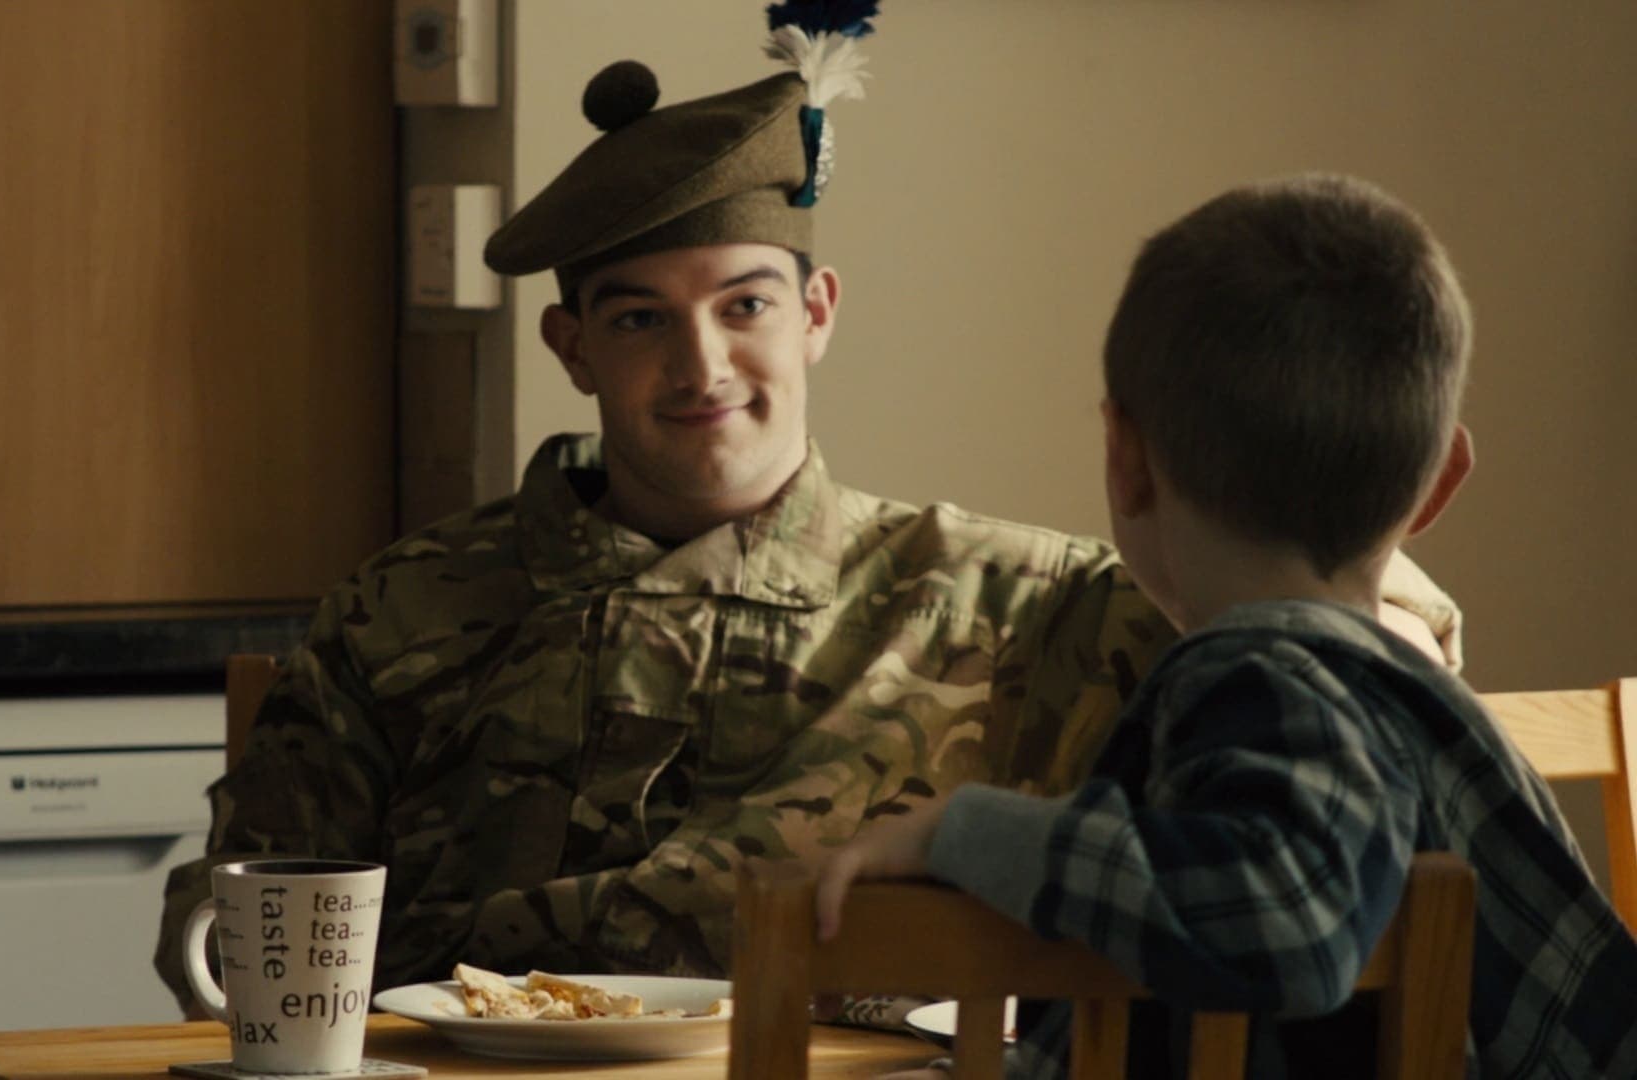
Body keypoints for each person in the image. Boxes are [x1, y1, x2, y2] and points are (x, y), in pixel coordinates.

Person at [151, 33, 1463, 1019]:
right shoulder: (408, 607)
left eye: (745, 306)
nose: (701, 365)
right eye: (640, 319)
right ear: (571, 347)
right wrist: (232, 936)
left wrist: (1376, 606)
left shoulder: (1016, 601)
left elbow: (1337, 616)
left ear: (817, 312)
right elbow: (245, 897)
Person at [817, 174, 1637, 1076]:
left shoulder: (1267, 674)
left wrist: (965, 833)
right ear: (1439, 483)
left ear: (1125, 460)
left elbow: (1287, 926)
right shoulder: (1410, 705)